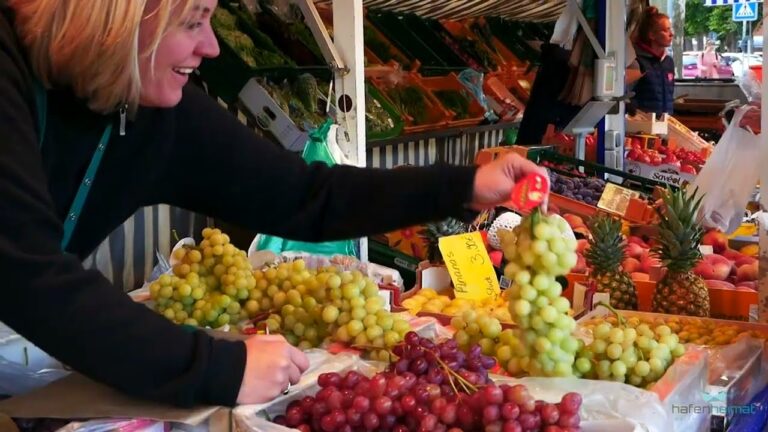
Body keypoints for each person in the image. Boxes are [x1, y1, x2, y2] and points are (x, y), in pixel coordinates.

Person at [0, 0, 549, 407]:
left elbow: (305, 195)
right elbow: (24, 271)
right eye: (192, 21)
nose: (211, 47)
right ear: (115, 21)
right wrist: (215, 367)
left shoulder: (154, 112)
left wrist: (464, 186)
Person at [629, 7, 675, 115]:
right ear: (652, 35)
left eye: (670, 29)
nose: (671, 34)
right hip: (642, 125)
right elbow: (627, 96)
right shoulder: (636, 61)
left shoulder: (668, 62)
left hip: (666, 122)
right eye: (665, 30)